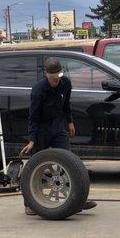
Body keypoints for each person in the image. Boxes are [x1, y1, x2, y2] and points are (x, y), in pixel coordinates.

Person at [21, 57, 97, 215]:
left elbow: (66, 104)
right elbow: (33, 117)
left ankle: (76, 201)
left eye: (58, 77)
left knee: (68, 161)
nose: (56, 81)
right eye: (53, 78)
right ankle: (29, 203)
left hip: (58, 125)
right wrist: (32, 140)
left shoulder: (66, 84)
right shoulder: (38, 91)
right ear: (46, 75)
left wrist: (69, 122)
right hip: (41, 128)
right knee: (37, 165)